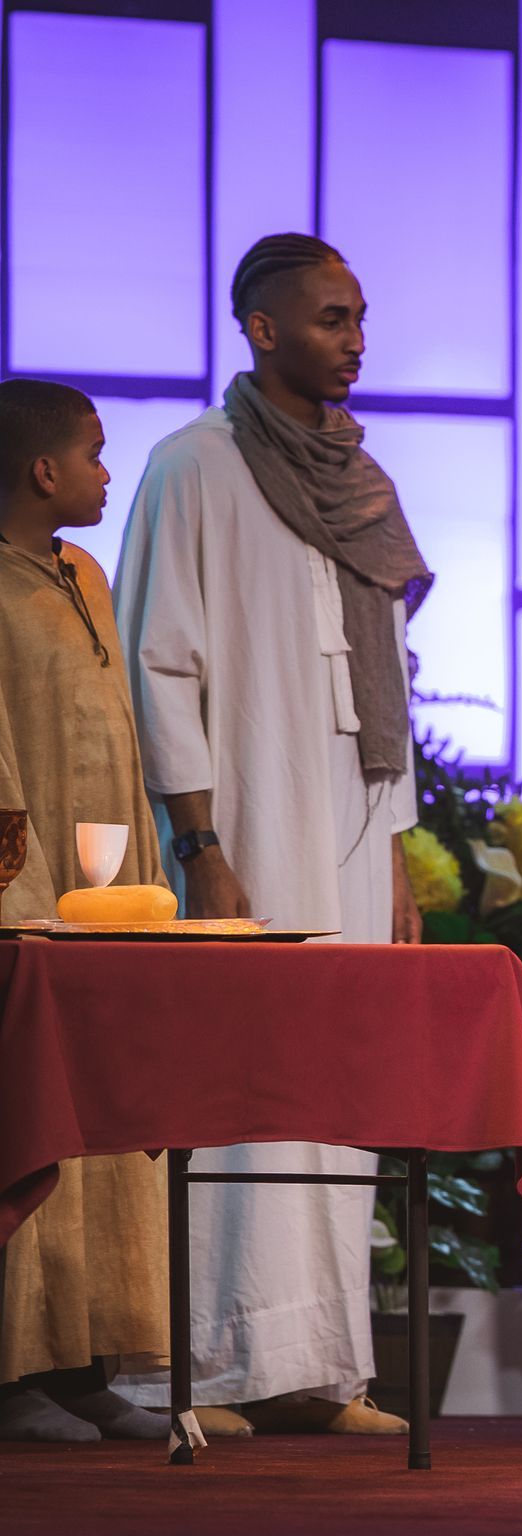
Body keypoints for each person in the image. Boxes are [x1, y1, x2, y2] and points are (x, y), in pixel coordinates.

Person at [114, 233, 430, 1436]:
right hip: (241, 816)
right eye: (332, 320)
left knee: (334, 1087)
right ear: (261, 329)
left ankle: (322, 1366)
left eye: (359, 319)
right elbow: (158, 661)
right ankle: (209, 1365)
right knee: (234, 1081)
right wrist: (201, 846)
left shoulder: (360, 476)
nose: (355, 341)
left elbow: (384, 677)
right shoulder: (190, 466)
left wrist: (395, 851)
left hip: (351, 826)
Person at [0, 380, 170, 1443]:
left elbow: (119, 739)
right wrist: (19, 902)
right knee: (31, 1124)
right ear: (41, 470)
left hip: (108, 899)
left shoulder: (87, 577)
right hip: (27, 905)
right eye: (96, 455)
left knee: (109, 1121)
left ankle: (85, 1362)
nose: (110, 473)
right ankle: (13, 1376)